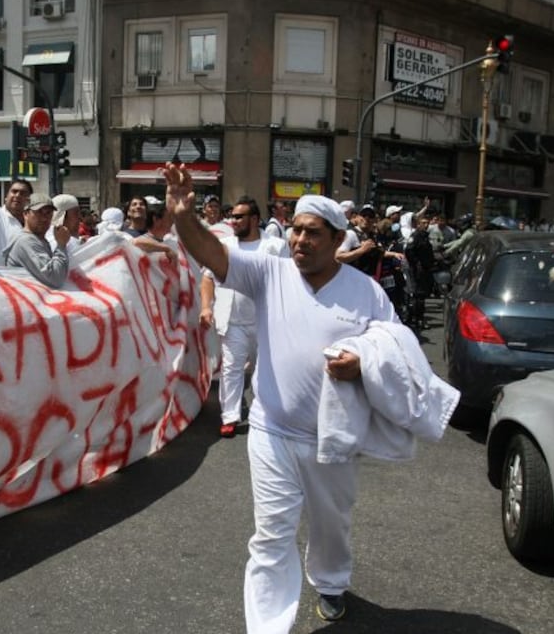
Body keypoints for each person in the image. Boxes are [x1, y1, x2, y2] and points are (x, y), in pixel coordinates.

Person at [162, 164, 399, 631]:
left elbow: (395, 346)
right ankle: (268, 624)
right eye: (295, 231)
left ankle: (330, 583)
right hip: (271, 431)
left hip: (335, 438)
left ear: (337, 240)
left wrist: (362, 362)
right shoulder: (268, 273)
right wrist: (183, 215)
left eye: (312, 233)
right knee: (271, 535)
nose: (300, 241)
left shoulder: (366, 292)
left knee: (331, 526)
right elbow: (212, 253)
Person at [199, 196, 287, 438]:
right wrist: (206, 307)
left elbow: (287, 281)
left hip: (265, 321)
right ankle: (230, 417)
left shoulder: (276, 246)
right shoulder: (224, 245)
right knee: (231, 369)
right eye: (232, 216)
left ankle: (267, 414)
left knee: (266, 369)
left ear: (255, 219)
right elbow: (207, 278)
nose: (233, 220)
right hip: (231, 320)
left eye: (239, 217)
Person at [3, 193, 69, 288]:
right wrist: (61, 245)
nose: (44, 218)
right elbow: (55, 278)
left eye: (48, 213)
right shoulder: (26, 241)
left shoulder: (37, 239)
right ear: (26, 214)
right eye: (39, 212)